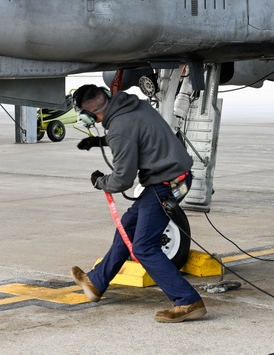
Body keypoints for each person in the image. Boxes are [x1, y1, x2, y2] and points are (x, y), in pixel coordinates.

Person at [69, 84, 207, 323]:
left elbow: (122, 179)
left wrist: (100, 182)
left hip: (164, 184)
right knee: (128, 227)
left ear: (89, 116)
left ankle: (187, 301)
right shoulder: (134, 105)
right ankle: (97, 281)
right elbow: (138, 135)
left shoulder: (119, 129)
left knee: (144, 247)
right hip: (173, 175)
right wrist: (100, 141)